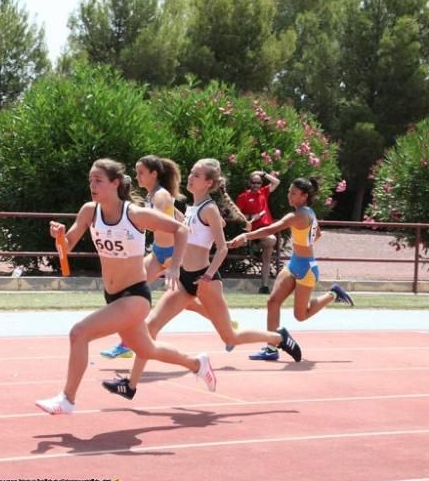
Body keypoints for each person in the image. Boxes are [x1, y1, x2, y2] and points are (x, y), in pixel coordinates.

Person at [102, 159, 301, 401]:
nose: (190, 178)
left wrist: (208, 275)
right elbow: (181, 225)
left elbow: (222, 248)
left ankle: (278, 337)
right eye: (191, 173)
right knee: (150, 327)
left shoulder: (209, 208)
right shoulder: (192, 208)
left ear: (208, 183)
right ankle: (130, 385)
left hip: (205, 280)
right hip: (185, 280)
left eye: (196, 175)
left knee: (230, 337)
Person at [36, 158, 216, 415]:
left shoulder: (134, 214)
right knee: (147, 349)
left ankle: (67, 399)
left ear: (115, 183)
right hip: (112, 296)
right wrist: (60, 237)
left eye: (98, 180)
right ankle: (197, 364)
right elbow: (66, 249)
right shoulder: (89, 211)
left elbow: (181, 231)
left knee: (79, 333)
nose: (92, 185)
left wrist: (175, 266)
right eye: (90, 180)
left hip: (134, 297)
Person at [229, 176, 354, 361]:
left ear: (304, 196)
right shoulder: (309, 212)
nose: (289, 196)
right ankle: (271, 348)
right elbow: (317, 234)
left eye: (293, 193)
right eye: (289, 192)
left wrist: (245, 237)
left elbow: (270, 229)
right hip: (295, 262)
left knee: (300, 316)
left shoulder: (297, 215)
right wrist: (303, 244)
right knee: (272, 302)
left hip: (307, 269)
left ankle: (333, 294)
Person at [101, 155, 184, 360]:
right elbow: (174, 216)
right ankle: (126, 343)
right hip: (159, 253)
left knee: (189, 299)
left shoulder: (160, 195)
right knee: (129, 294)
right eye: (136, 172)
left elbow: (155, 221)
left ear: (154, 174)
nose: (137, 176)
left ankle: (224, 322)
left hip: (172, 254)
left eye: (141, 173)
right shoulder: (153, 194)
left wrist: (129, 215)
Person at [236, 171, 281, 293]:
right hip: (253, 230)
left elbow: (276, 182)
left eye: (258, 182)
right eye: (253, 182)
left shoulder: (264, 192)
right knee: (272, 240)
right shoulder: (243, 197)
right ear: (249, 183)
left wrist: (264, 174)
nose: (256, 185)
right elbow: (237, 215)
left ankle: (264, 286)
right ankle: (254, 245)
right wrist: (251, 216)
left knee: (267, 258)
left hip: (266, 229)